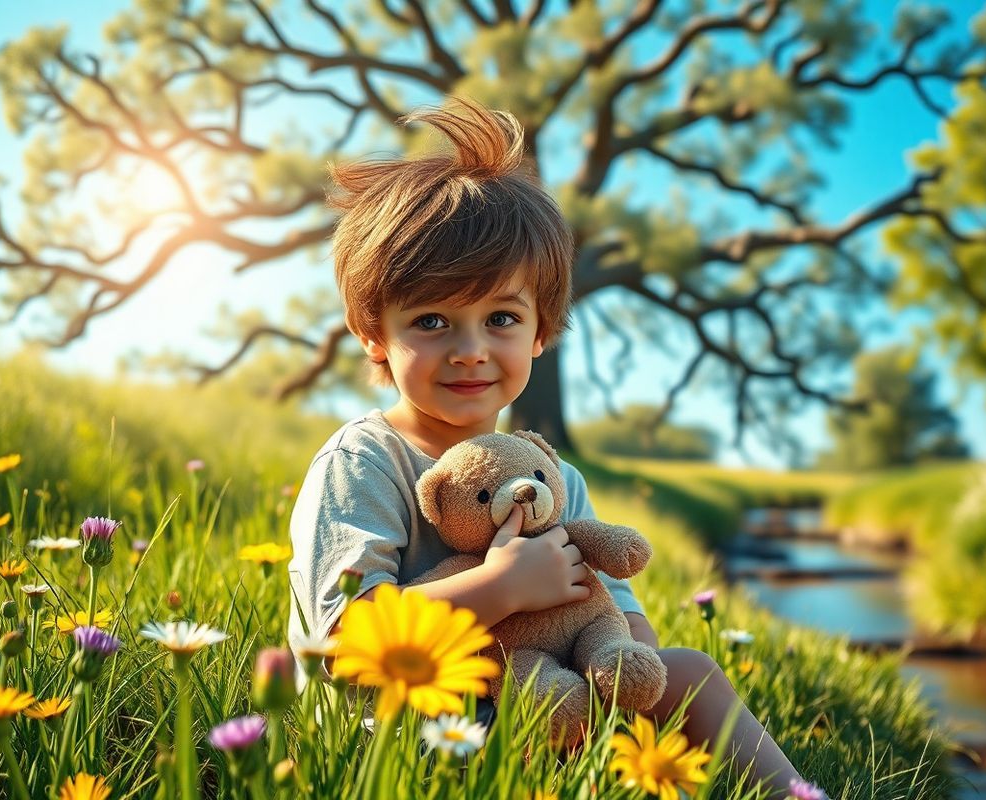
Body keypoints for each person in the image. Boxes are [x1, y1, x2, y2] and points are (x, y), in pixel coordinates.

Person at [288, 95, 809, 797]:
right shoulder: (365, 462)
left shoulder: (549, 475)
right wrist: (502, 588)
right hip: (404, 737)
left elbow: (625, 622)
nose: (470, 351)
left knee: (691, 673)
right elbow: (350, 643)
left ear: (541, 332)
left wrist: (617, 659)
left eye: (500, 317)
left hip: (542, 707)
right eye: (434, 320)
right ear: (375, 334)